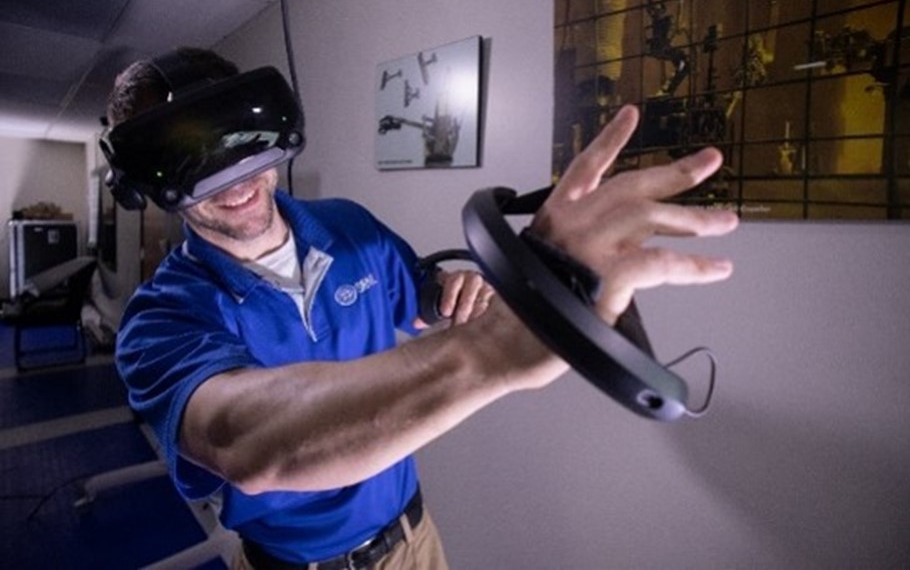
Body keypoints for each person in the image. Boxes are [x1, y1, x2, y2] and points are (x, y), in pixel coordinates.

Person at [108, 48, 738, 570]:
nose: (236, 177)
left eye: (241, 140)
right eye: (191, 160)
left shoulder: (349, 227)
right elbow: (243, 440)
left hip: (414, 543)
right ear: (142, 184)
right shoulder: (159, 322)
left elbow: (411, 291)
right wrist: (491, 349)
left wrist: (445, 294)